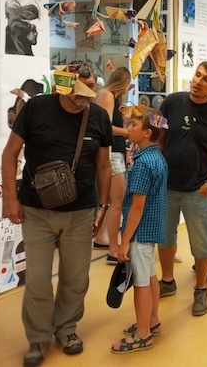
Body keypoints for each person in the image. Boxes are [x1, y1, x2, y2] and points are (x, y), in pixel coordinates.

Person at [1, 61, 112, 367]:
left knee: (75, 277)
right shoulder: (36, 108)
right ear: (65, 84)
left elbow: (104, 165)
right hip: (36, 211)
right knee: (38, 279)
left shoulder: (98, 117)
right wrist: (10, 199)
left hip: (81, 212)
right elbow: (10, 154)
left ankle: (66, 328)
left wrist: (103, 207)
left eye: (91, 89)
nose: (85, 96)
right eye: (80, 89)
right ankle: (38, 339)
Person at [157, 61, 207, 317]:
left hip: (197, 190)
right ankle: (167, 281)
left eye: (206, 79)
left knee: (201, 245)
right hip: (167, 186)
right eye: (197, 75)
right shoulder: (171, 102)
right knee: (165, 239)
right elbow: (159, 138)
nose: (198, 81)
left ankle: (200, 289)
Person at [111, 106, 168, 354]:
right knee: (151, 275)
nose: (128, 128)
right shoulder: (157, 157)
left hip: (140, 232)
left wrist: (125, 241)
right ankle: (152, 321)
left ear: (147, 132)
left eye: (133, 124)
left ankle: (143, 334)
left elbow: (137, 206)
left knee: (141, 282)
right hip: (152, 228)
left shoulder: (143, 163)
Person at [93, 67, 132, 264]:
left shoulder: (113, 98)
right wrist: (126, 133)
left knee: (109, 200)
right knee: (118, 200)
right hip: (110, 154)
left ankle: (101, 237)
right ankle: (113, 250)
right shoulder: (107, 95)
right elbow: (104, 127)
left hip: (115, 153)